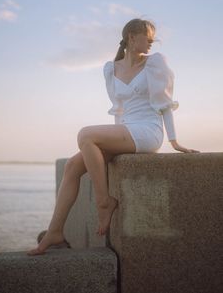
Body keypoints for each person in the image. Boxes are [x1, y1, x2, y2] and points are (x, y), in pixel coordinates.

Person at [27, 18, 200, 256]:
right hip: (126, 131)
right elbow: (119, 113)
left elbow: (165, 105)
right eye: (148, 38)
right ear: (132, 37)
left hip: (148, 131)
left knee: (85, 134)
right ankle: (54, 231)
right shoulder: (111, 68)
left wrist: (174, 142)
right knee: (72, 166)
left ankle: (104, 202)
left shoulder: (155, 64)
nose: (152, 43)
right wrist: (108, 144)